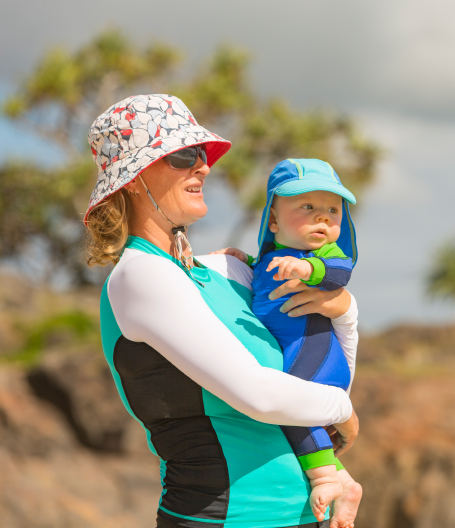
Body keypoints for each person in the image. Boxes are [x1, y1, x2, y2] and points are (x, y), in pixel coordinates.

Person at [84, 94, 360, 528]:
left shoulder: (229, 270)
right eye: (184, 156)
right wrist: (341, 410)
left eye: (203, 155)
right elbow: (259, 395)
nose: (204, 167)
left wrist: (345, 313)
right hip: (225, 518)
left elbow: (316, 362)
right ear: (133, 179)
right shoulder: (140, 277)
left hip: (310, 516)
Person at [212, 159, 362, 527]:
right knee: (291, 416)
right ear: (274, 221)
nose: (323, 219)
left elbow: (341, 271)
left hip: (316, 353)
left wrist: (310, 271)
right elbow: (266, 269)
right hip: (301, 353)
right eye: (307, 207)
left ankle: (324, 479)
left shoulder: (321, 258)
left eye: (332, 210)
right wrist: (242, 259)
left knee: (292, 407)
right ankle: (343, 481)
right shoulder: (273, 258)